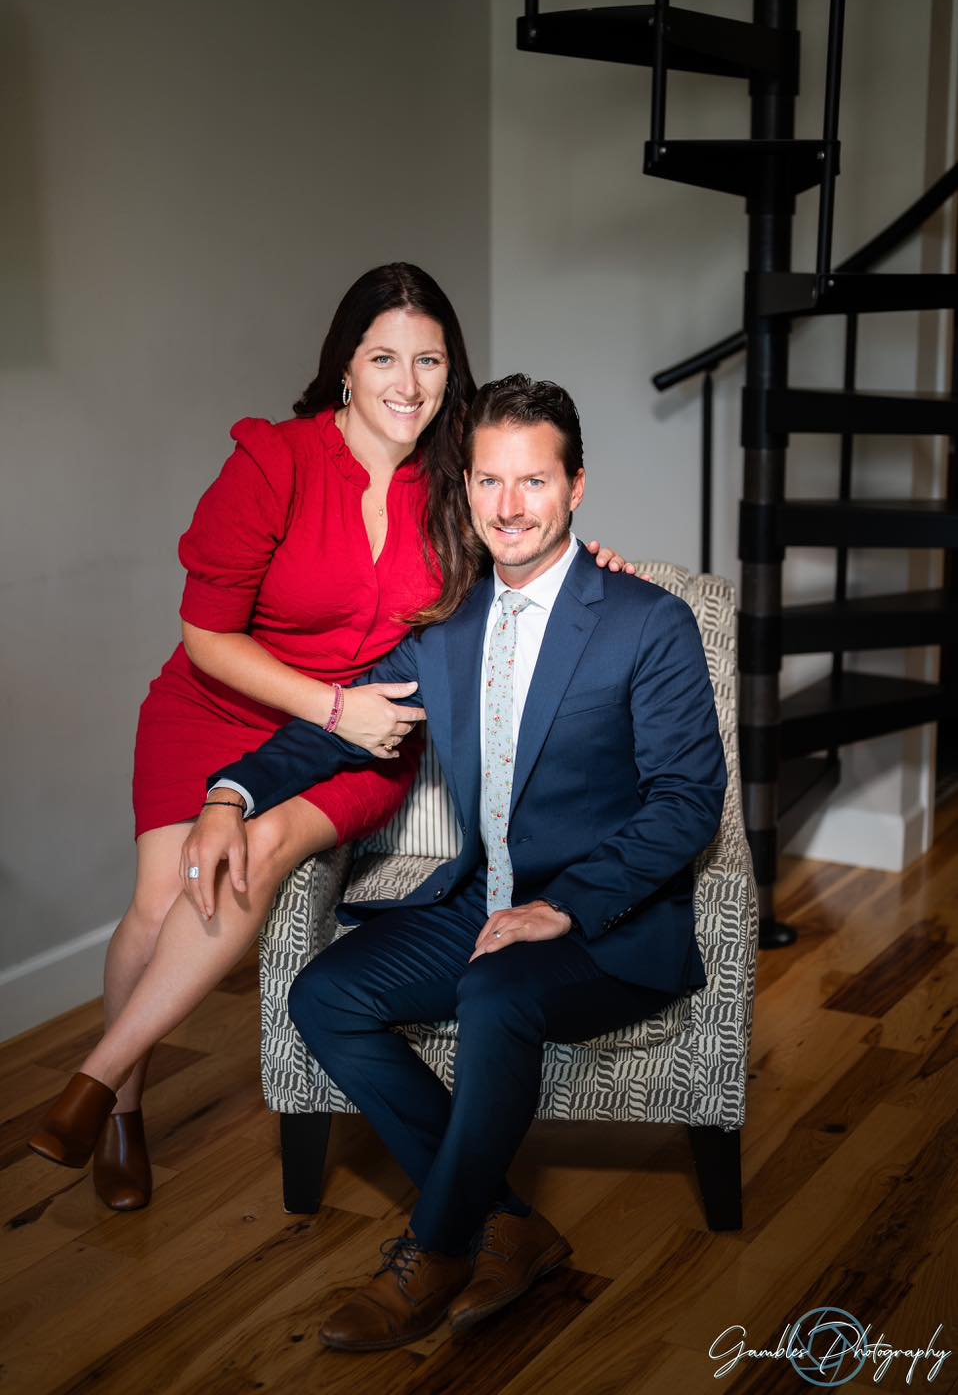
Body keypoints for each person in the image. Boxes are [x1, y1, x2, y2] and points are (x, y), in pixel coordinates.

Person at [27, 273, 634, 1209]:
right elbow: (206, 635)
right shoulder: (273, 463)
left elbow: (529, 532)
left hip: (364, 740)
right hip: (222, 705)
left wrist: (597, 564)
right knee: (161, 896)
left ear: (450, 371)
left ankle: (91, 1080)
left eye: (428, 360)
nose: (408, 381)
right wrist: (325, 704)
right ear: (345, 368)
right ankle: (122, 1111)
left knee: (254, 853)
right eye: (384, 357)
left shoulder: (455, 477)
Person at [178, 373, 727, 1350]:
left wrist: (568, 908)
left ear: (576, 488)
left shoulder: (649, 623)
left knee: (498, 992)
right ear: (466, 491)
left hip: (607, 928)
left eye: (533, 482)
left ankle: (433, 1249)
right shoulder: (452, 625)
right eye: (488, 482)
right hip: (483, 901)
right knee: (326, 995)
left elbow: (688, 804)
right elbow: (340, 726)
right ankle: (505, 1225)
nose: (509, 507)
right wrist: (231, 792)